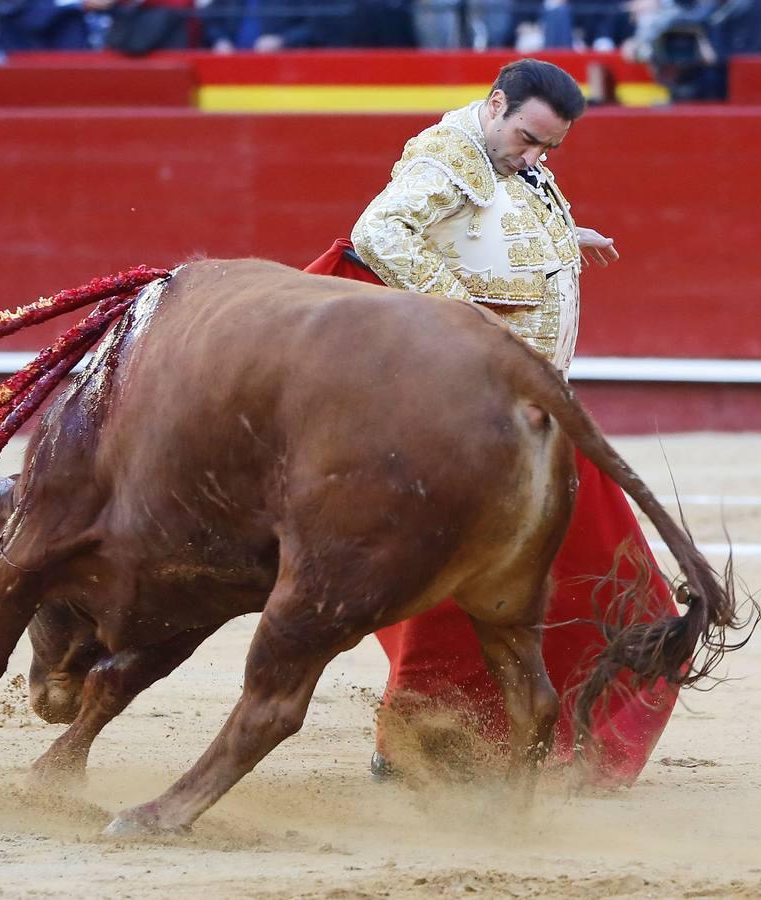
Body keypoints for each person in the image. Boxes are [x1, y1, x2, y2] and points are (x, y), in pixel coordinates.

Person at [306, 58, 678, 787]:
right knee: (466, 588)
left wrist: (567, 238)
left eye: (550, 147)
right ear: (495, 103)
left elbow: (487, 234)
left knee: (552, 580)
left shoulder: (510, 158)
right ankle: (419, 744)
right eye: (528, 138)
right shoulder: (447, 157)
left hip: (531, 409)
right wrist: (467, 322)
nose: (535, 156)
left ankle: (469, 742)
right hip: (481, 417)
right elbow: (380, 232)